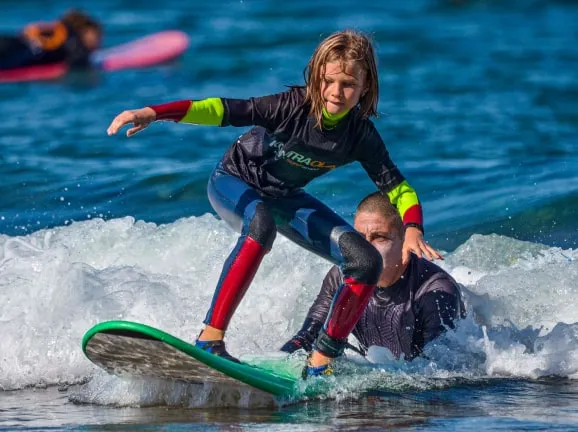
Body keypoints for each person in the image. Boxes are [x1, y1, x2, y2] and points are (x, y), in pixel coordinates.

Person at [106, 29, 443, 378]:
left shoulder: (360, 135)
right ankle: (210, 338)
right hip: (233, 181)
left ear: (364, 87)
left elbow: (397, 185)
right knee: (260, 224)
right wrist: (154, 112)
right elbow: (221, 109)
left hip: (284, 196)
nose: (336, 92)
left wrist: (413, 227)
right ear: (316, 76)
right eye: (328, 81)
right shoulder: (289, 107)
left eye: (348, 84)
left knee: (365, 261)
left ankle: (321, 361)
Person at [281, 192, 465, 364]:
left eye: (379, 237)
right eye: (359, 238)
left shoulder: (436, 292)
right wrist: (281, 359)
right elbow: (308, 335)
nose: (365, 250)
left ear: (405, 242)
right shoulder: (341, 277)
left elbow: (438, 370)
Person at [0, 9, 102, 71]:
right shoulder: (72, 38)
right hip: (17, 53)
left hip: (12, 44)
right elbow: (78, 61)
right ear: (84, 31)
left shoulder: (58, 30)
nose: (98, 41)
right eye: (96, 36)